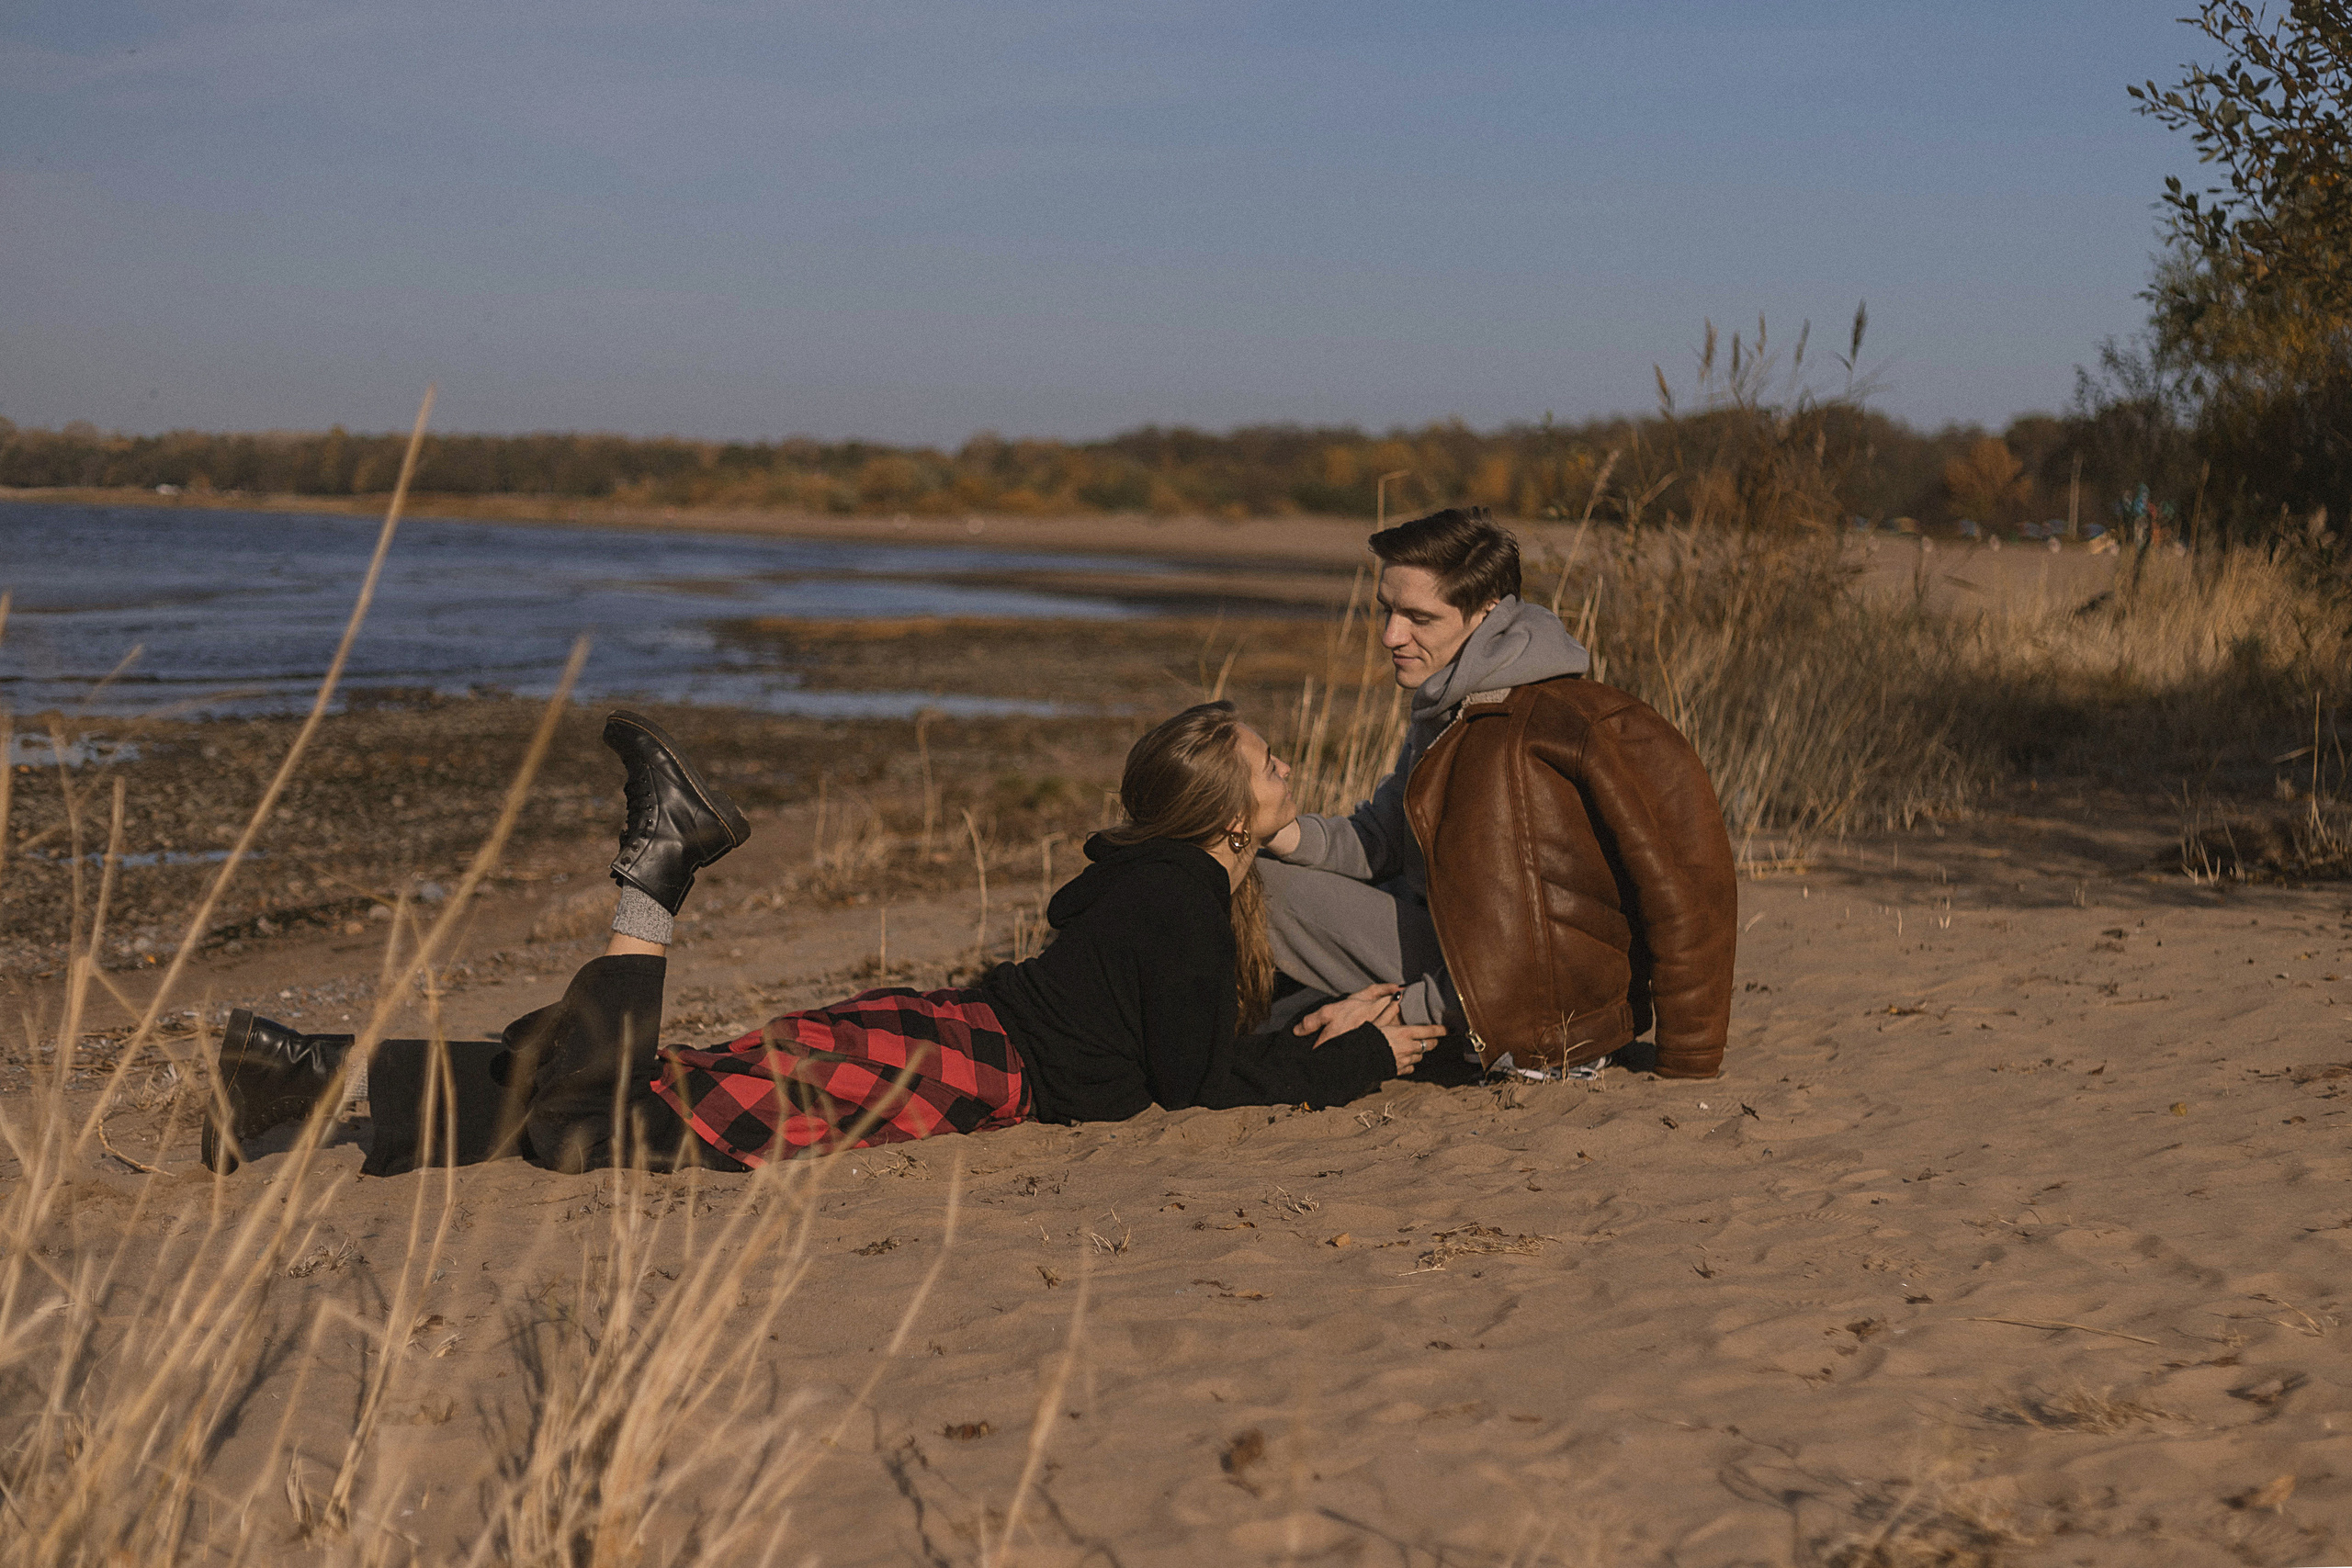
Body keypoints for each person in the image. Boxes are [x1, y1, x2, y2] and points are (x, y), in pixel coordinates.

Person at [201, 705, 1443, 1176]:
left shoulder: (1172, 889)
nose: (1292, 771)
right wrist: (1364, 1059)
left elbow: (1188, 1039)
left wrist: (1312, 1019)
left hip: (950, 1029)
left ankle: (321, 1077)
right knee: (619, 1123)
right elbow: (1195, 1085)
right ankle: (656, 876)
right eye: (1274, 765)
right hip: (967, 1062)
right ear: (1230, 813)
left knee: (646, 1090)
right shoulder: (1180, 899)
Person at [1259, 508, 1738, 1080]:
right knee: (1247, 873)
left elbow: (1687, 884)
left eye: (1419, 617)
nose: (1391, 636)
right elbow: (1381, 839)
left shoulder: (1572, 724)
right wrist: (1271, 830)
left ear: (1487, 613)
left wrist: (1690, 1055)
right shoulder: (1447, 707)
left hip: (1539, 1011)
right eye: (1387, 611)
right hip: (1462, 955)